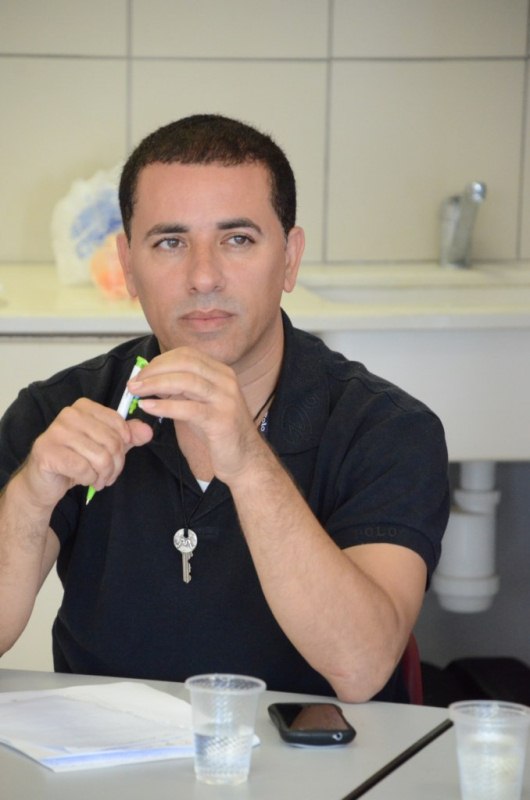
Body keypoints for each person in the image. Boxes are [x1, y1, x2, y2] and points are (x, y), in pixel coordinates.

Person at [0, 114, 449, 702]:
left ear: (289, 258)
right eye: (170, 242)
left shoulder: (388, 430)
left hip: (314, 757)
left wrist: (247, 460)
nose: (204, 277)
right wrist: (30, 497)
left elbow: (362, 667)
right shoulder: (59, 413)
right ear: (128, 266)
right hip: (103, 756)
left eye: (237, 239)